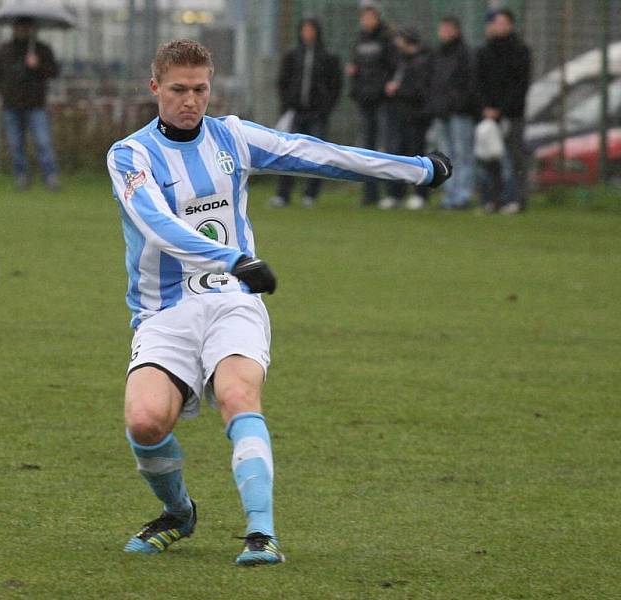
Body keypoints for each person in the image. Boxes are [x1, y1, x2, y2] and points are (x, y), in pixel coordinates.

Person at [106, 39, 451, 566]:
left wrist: (416, 169)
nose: (190, 101)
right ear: (155, 87)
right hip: (165, 310)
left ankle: (261, 534)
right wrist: (233, 257)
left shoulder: (233, 138)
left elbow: (319, 154)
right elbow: (156, 223)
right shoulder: (130, 155)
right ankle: (179, 513)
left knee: (238, 396)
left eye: (200, 89)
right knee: (146, 422)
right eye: (178, 90)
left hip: (232, 301)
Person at [268, 17, 342, 209]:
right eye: (304, 29)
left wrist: (325, 107)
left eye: (311, 29)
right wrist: (287, 105)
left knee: (316, 154)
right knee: (288, 153)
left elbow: (335, 85)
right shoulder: (293, 55)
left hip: (317, 113)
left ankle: (310, 194)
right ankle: (283, 194)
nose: (307, 33)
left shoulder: (327, 56)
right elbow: (282, 82)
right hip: (296, 112)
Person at [0, 17, 61, 191]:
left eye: (26, 27)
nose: (22, 30)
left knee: (43, 142)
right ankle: (21, 177)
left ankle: (50, 176)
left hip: (35, 105)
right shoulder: (6, 50)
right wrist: (5, 92)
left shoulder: (41, 50)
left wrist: (37, 65)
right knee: (16, 144)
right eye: (19, 27)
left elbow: (53, 72)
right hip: (11, 105)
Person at [474, 9, 532, 214]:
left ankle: (516, 199)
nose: (499, 27)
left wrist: (502, 109)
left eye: (503, 23)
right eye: (495, 23)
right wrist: (486, 108)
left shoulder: (520, 51)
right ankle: (493, 199)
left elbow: (520, 85)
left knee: (515, 158)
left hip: (512, 114)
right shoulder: (484, 51)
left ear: (511, 25)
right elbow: (478, 83)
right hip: (489, 114)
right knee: (490, 158)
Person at [345, 0, 396, 206]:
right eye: (363, 17)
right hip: (364, 100)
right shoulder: (359, 40)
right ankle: (370, 194)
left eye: (370, 16)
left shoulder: (386, 39)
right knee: (367, 149)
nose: (366, 20)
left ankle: (392, 193)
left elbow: (393, 67)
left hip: (383, 100)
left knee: (387, 146)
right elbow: (355, 67)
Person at [426, 16, 477, 210]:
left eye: (448, 29)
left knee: (463, 154)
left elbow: (469, 84)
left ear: (457, 30)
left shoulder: (465, 53)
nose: (444, 33)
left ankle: (462, 195)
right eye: (442, 29)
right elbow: (432, 81)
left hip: (460, 112)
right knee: (446, 155)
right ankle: (450, 195)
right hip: (441, 111)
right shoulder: (438, 53)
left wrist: (458, 102)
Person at [381, 27, 432, 210]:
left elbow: (419, 90)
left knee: (417, 154)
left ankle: (420, 194)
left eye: (400, 39)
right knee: (397, 153)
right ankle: (395, 193)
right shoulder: (401, 60)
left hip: (416, 115)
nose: (396, 43)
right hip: (399, 113)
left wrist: (399, 90)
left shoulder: (421, 61)